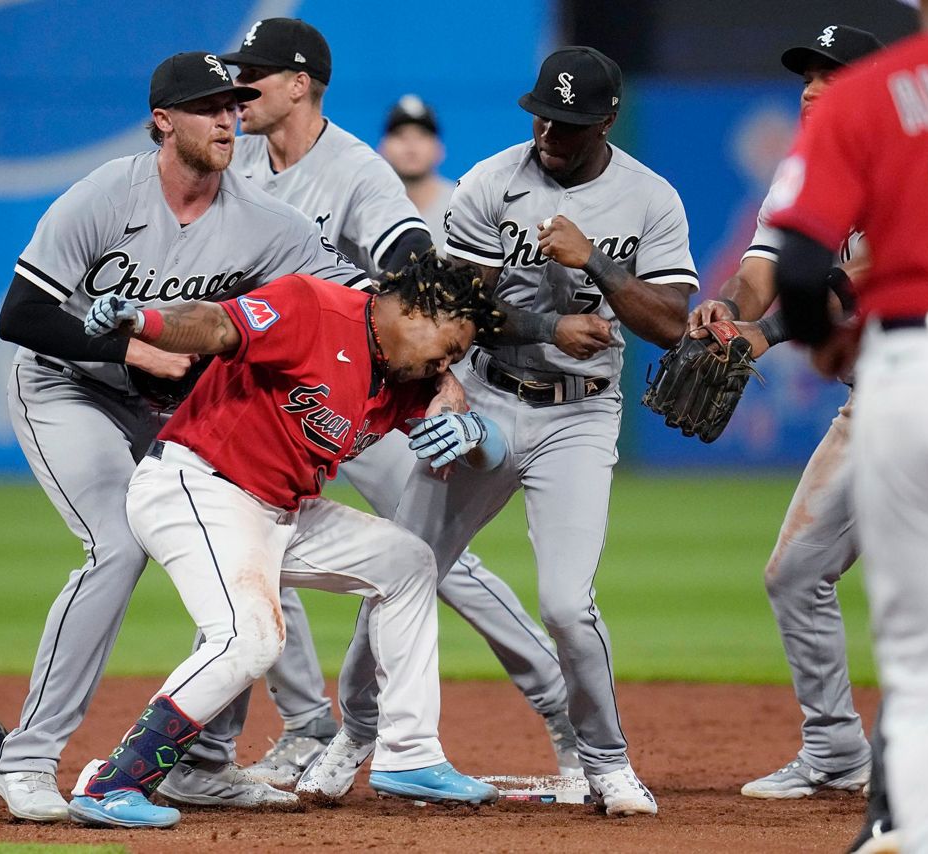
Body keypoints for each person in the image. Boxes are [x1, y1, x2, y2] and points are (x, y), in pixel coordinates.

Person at [180, 16, 578, 790]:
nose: (237, 91)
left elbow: (417, 267)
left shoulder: (355, 173)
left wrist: (440, 375)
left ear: (300, 84)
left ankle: (561, 708)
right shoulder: (239, 164)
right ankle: (292, 728)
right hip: (272, 397)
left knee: (433, 559)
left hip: (363, 394)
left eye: (252, 77)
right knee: (247, 556)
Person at [299, 46, 697, 818]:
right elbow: (463, 311)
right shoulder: (490, 182)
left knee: (567, 606)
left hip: (580, 414)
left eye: (569, 123)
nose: (550, 131)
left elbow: (672, 322)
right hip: (485, 401)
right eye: (543, 115)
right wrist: (549, 324)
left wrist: (597, 264)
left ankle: (607, 761)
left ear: (607, 121)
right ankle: (355, 734)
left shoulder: (650, 198)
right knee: (401, 567)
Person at [0, 50, 369, 822]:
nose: (228, 119)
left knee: (242, 550)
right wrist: (131, 348)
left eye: (233, 106)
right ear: (164, 120)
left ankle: (200, 763)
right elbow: (20, 316)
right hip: (68, 387)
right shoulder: (105, 195)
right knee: (117, 546)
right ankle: (26, 760)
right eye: (208, 107)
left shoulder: (264, 221)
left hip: (171, 409)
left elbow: (361, 298)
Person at [67, 254, 505, 829]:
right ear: (416, 311)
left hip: (279, 512)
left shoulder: (405, 375)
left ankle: (409, 754)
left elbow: (491, 455)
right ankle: (114, 782)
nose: (445, 365)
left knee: (407, 562)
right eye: (447, 349)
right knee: (250, 640)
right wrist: (145, 322)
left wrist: (475, 432)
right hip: (198, 485)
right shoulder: (311, 306)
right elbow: (215, 324)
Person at [772, 2, 928, 850]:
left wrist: (818, 339)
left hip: (918, 372)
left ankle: (910, 827)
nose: (815, 88)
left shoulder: (878, 96)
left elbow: (800, 267)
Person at [689, 24, 883, 801]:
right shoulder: (802, 174)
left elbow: (870, 271)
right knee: (798, 572)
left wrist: (767, 334)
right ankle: (835, 750)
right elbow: (762, 268)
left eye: (832, 75)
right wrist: (729, 312)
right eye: (807, 76)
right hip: (877, 402)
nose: (812, 88)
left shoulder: (907, 155)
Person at [379, 94, 456, 254]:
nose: (411, 146)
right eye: (400, 135)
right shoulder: (366, 208)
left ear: (439, 149)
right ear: (382, 149)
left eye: (422, 135)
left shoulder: (464, 207)